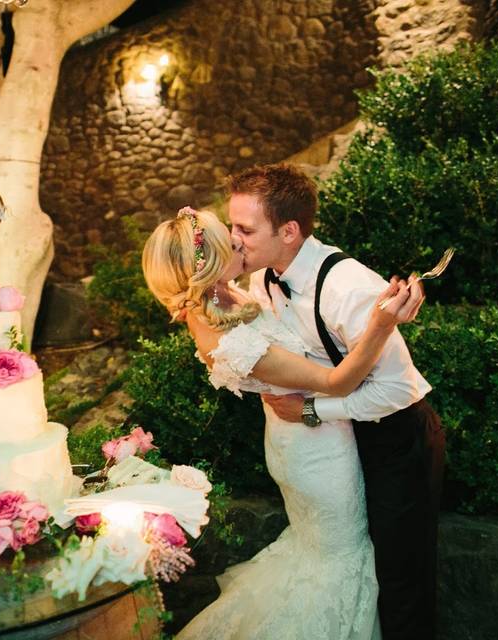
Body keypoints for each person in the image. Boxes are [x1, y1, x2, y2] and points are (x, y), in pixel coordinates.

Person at [142, 207, 423, 639]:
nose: (239, 241)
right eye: (230, 241)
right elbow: (337, 380)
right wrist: (381, 325)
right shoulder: (234, 341)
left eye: (240, 233)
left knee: (317, 554)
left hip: (297, 442)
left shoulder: (219, 299)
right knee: (337, 558)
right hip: (318, 454)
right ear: (213, 264)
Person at [227, 163, 446, 640]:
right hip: (334, 448)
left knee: (399, 579)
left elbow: (398, 389)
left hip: (395, 439)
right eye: (231, 227)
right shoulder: (261, 279)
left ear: (289, 231)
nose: (233, 239)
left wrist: (311, 411)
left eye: (244, 229)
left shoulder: (349, 287)